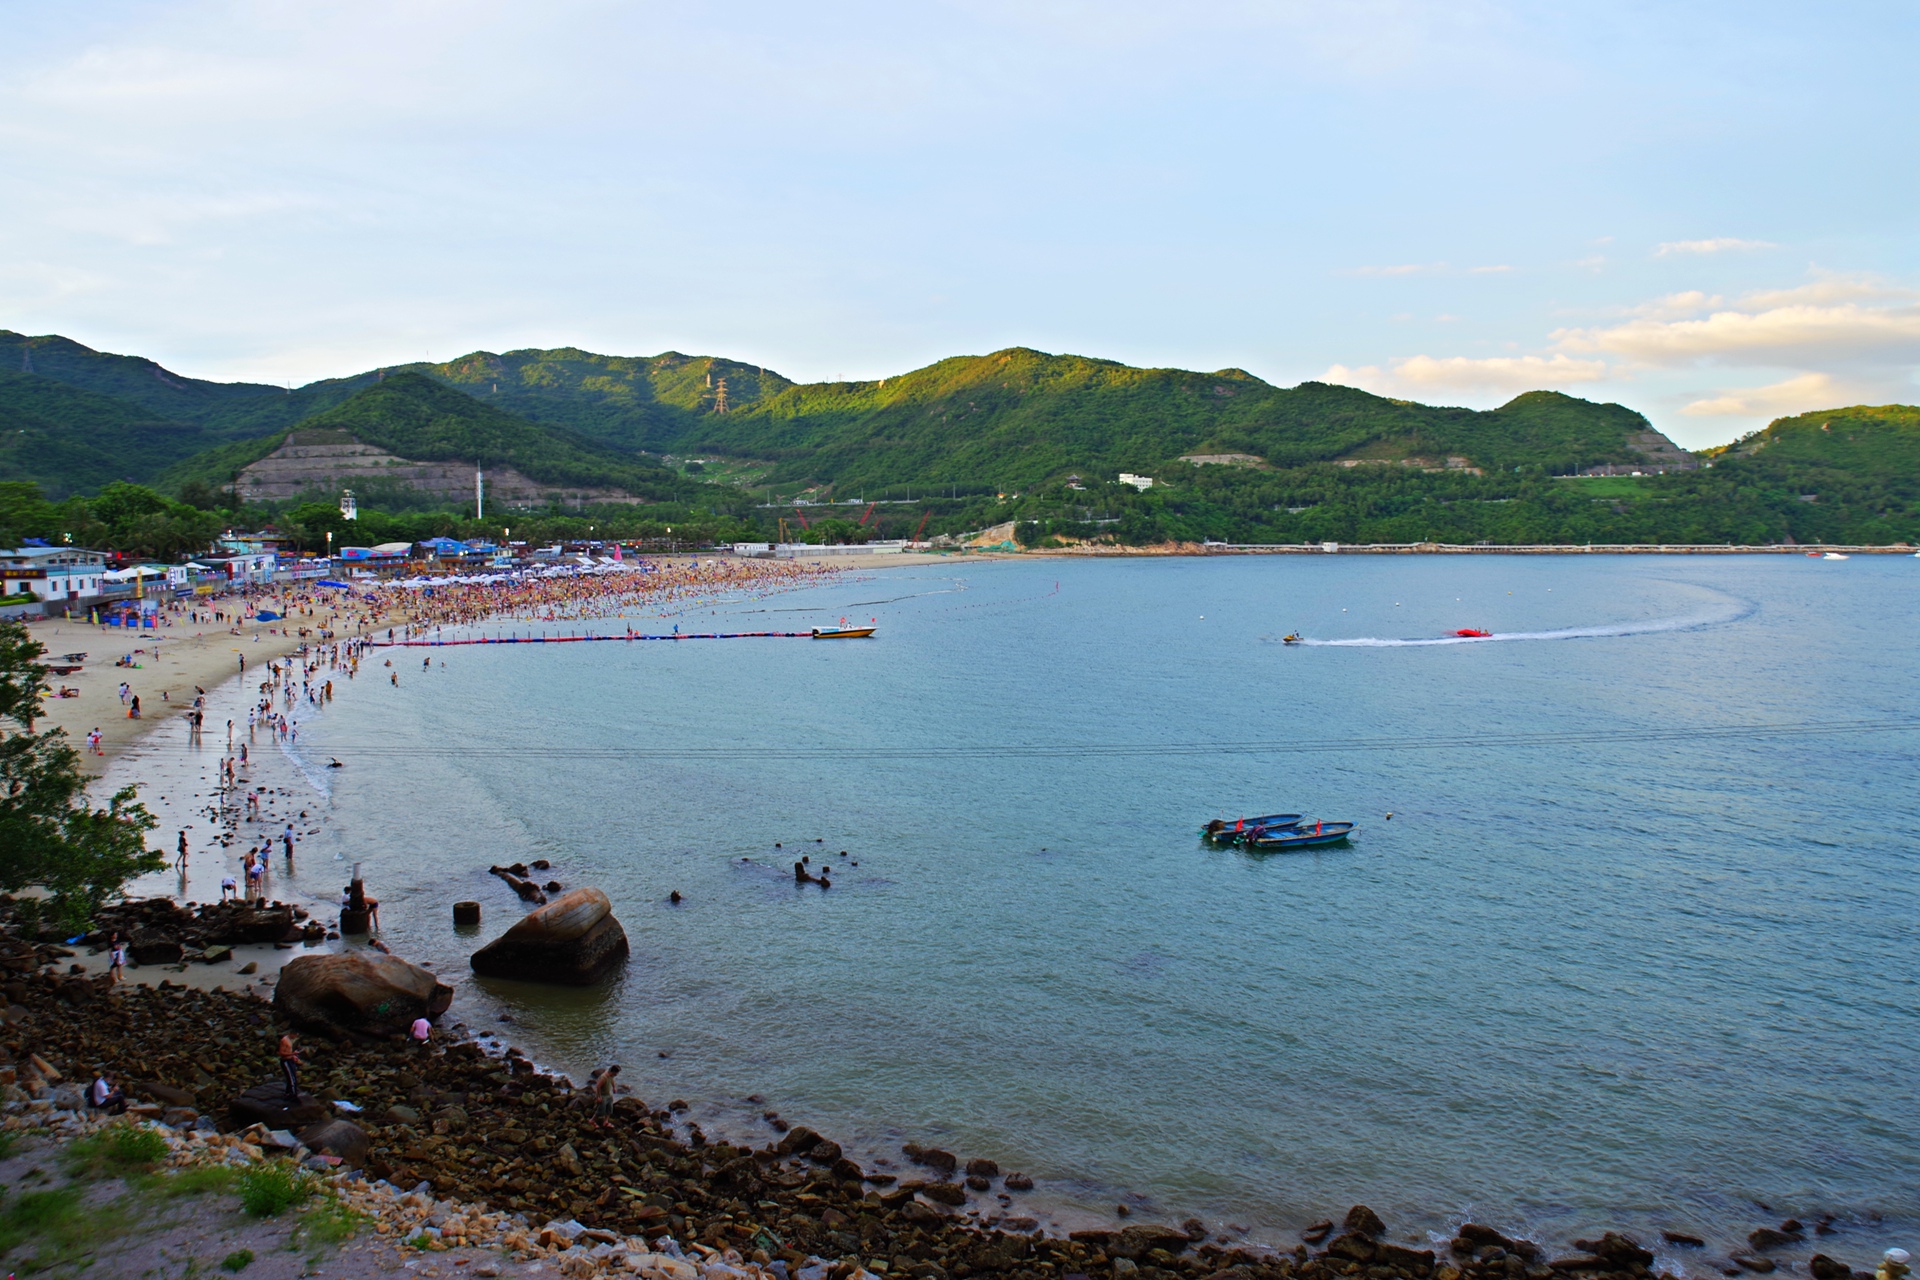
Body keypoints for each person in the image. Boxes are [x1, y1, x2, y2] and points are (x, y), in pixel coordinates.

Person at [277, 1031, 301, 1102]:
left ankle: (288, 1092)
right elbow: (281, 1053)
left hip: (290, 1060)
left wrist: (293, 1056)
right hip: (285, 1062)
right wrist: (292, 1053)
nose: (295, 1037)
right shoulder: (284, 1040)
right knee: (291, 1078)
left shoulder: (290, 1039)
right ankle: (293, 1094)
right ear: (291, 1034)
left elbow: (288, 1051)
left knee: (293, 1077)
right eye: (295, 1035)